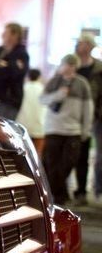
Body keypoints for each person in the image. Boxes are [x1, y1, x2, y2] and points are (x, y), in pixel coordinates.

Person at [41, 54, 94, 205]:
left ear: (76, 67)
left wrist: (85, 130)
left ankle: (56, 194)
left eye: (72, 65)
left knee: (68, 163)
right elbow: (42, 99)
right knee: (52, 164)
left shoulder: (82, 83)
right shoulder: (54, 81)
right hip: (53, 128)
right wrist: (58, 95)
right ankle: (58, 197)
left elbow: (88, 108)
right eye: (66, 64)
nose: (69, 67)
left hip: (73, 130)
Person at [72, 35, 102, 204]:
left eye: (82, 43)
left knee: (92, 155)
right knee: (71, 155)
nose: (79, 45)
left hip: (95, 116)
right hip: (72, 116)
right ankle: (63, 191)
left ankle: (89, 191)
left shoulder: (98, 68)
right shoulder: (71, 64)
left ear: (90, 46)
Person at [17, 69, 46, 156]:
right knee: (36, 154)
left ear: (28, 76)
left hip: (23, 123)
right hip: (39, 125)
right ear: (39, 77)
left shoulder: (23, 88)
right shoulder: (43, 89)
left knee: (22, 152)